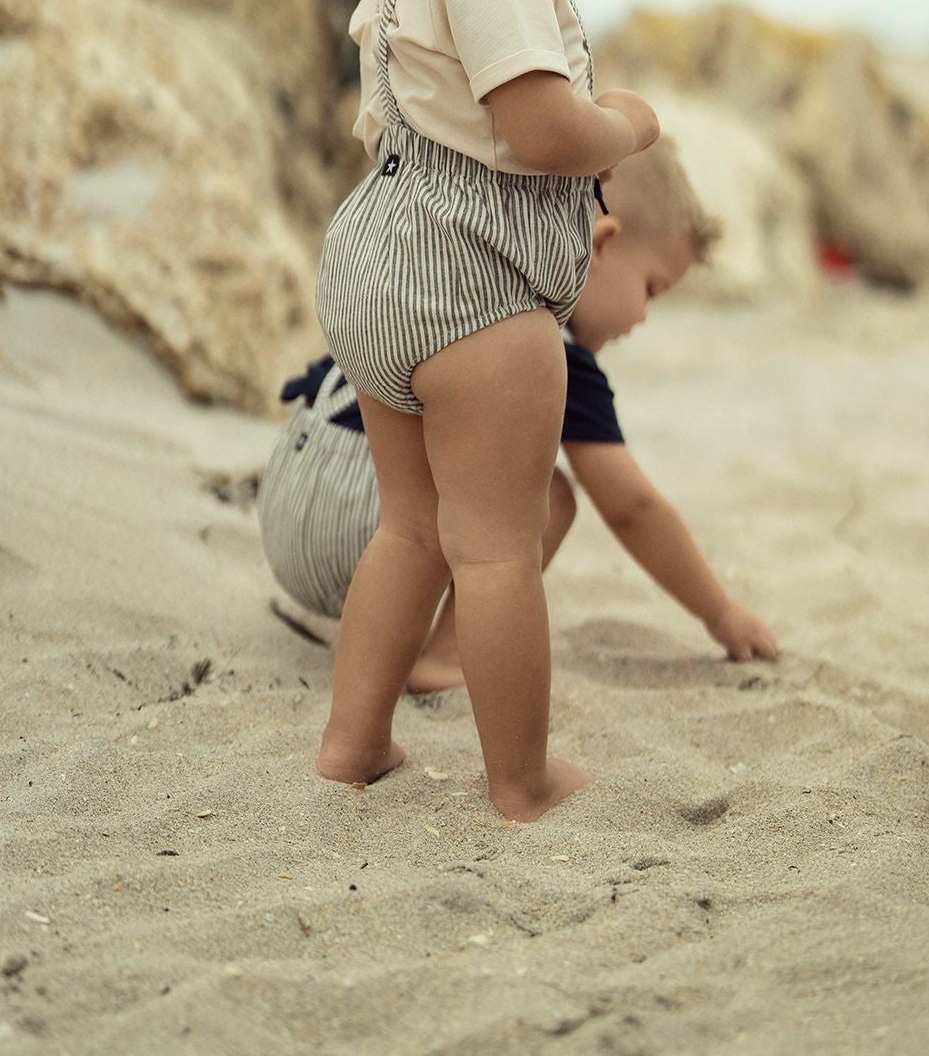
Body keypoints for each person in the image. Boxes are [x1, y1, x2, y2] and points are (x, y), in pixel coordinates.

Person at [311, 0, 659, 821]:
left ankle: (353, 742)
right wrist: (626, 122)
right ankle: (520, 777)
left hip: (378, 259)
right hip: (475, 286)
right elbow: (540, 128)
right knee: (498, 547)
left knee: (412, 523)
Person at [262, 137, 779, 688]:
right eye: (651, 289)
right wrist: (719, 613)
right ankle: (444, 656)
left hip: (287, 495)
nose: (644, 317)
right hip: (365, 525)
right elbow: (632, 507)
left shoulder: (458, 276)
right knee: (548, 496)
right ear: (600, 246)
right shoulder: (547, 348)